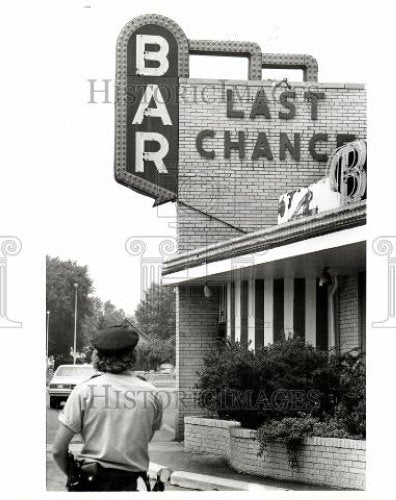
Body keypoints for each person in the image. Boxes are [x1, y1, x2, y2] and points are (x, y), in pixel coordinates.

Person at [52, 324, 163, 491]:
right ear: (133, 355)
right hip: (134, 483)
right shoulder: (152, 393)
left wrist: (75, 478)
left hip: (91, 481)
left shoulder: (84, 390)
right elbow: (145, 437)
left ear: (97, 356)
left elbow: (58, 450)